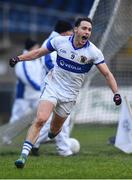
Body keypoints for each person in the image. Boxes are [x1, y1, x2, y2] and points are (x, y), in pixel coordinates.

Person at [9, 17, 122, 169]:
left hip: (69, 95)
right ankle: (23, 156)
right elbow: (38, 53)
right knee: (41, 119)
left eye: (89, 29)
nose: (87, 32)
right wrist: (18, 58)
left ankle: (52, 134)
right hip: (53, 86)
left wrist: (116, 93)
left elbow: (107, 74)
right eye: (84, 28)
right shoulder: (59, 41)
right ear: (76, 29)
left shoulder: (94, 52)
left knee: (55, 130)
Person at [32, 20, 78, 157]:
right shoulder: (52, 41)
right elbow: (48, 62)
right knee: (63, 119)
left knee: (56, 121)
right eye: (71, 32)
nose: (72, 34)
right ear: (64, 32)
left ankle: (33, 143)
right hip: (54, 87)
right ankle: (64, 150)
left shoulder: (56, 40)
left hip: (57, 87)